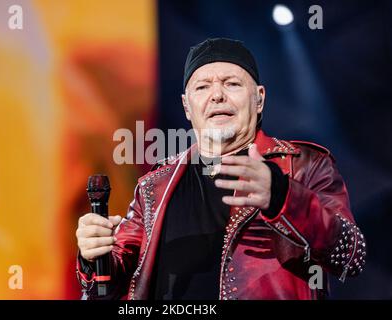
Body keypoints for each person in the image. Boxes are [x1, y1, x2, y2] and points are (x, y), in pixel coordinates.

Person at [75, 38, 366, 300]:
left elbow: (350, 256)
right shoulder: (154, 185)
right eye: (202, 87)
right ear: (187, 107)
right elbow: (107, 289)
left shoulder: (304, 165)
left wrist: (282, 196)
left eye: (232, 83)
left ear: (259, 98)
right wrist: (94, 256)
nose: (217, 95)